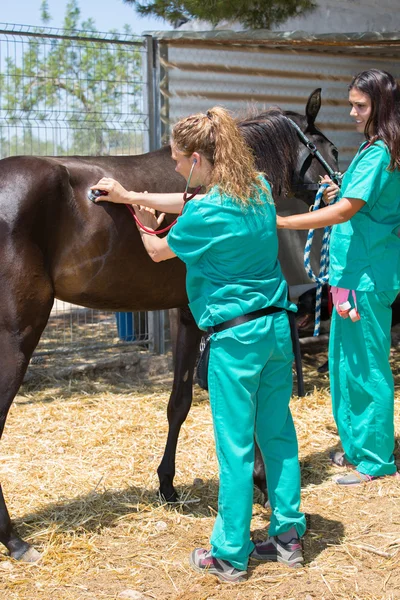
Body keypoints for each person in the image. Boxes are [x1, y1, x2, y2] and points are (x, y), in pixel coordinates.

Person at [91, 107, 306, 583]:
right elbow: (191, 203)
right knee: (278, 437)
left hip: (235, 340)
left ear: (196, 159)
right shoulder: (259, 190)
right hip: (275, 333)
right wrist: (134, 192)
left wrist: (140, 216)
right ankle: (288, 537)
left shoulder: (207, 211)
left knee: (234, 449)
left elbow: (157, 251)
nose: (174, 169)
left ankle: (230, 554)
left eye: (176, 161)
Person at [276, 69, 400, 486]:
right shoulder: (372, 149)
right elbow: (357, 201)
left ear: (380, 105)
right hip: (354, 272)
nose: (351, 112)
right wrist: (339, 189)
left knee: (367, 368)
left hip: (367, 275)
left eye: (359, 105)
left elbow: (349, 210)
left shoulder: (382, 151)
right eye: (351, 104)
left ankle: (377, 460)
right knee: (346, 366)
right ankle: (358, 447)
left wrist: (287, 222)